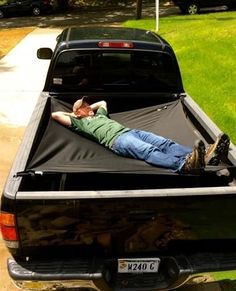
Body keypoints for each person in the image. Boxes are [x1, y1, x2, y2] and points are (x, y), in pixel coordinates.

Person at [51, 98, 230, 173]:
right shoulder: (80, 123)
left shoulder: (99, 114)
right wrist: (75, 114)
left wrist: (88, 109)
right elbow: (56, 115)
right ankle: (184, 165)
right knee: (149, 150)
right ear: (78, 112)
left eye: (88, 103)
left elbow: (103, 102)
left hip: (130, 132)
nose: (89, 105)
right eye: (84, 105)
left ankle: (205, 154)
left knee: (164, 143)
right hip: (118, 141)